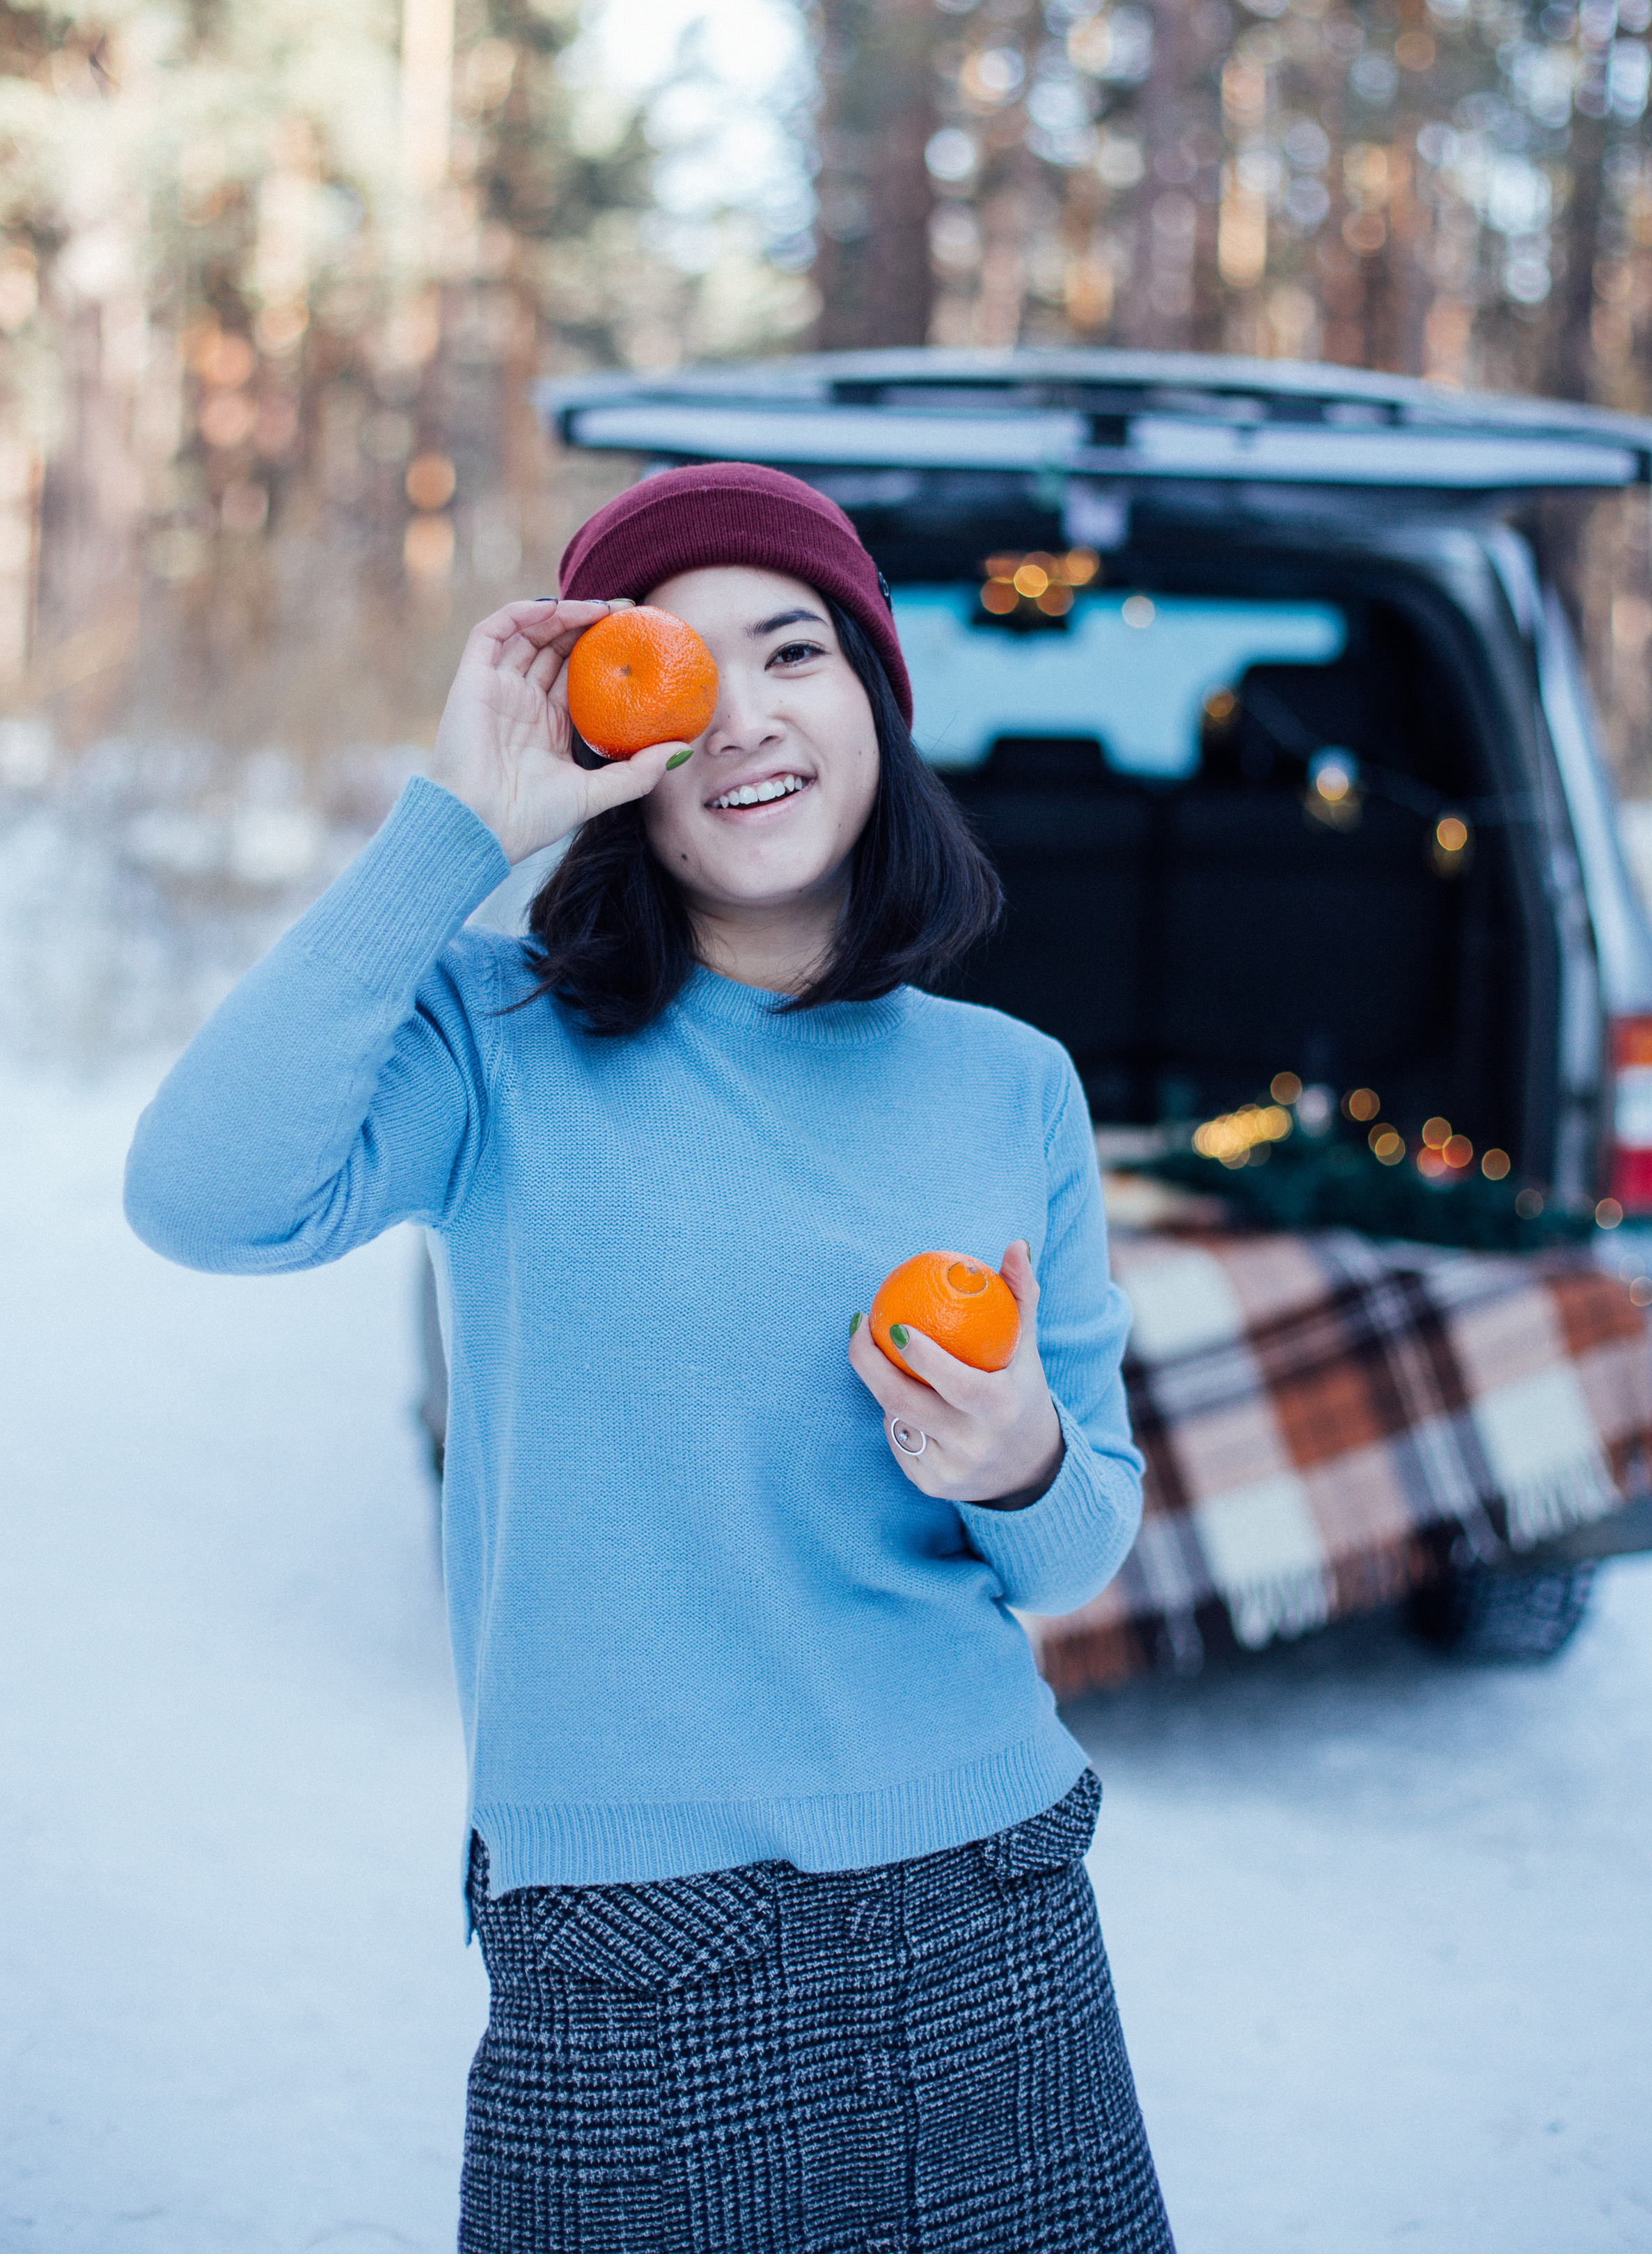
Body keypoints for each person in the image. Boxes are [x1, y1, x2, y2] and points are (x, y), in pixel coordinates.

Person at [125, 461, 1174, 2253]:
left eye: (794, 654)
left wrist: (1011, 1458)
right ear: (615, 742)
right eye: (677, 676)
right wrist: (456, 821)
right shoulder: (494, 1038)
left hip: (987, 1893)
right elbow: (203, 1196)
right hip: (630, 1932)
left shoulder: (1010, 1083)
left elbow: (1080, 1552)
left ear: (874, 699)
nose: (744, 719)